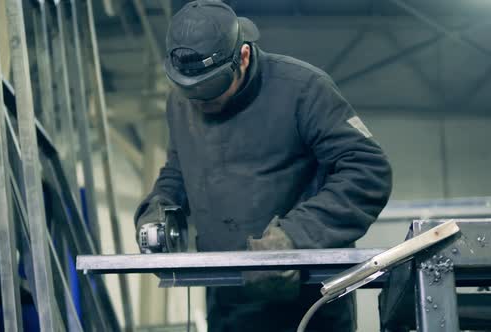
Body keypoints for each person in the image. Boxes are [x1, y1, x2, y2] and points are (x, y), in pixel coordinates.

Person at [134, 1, 393, 331]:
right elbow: (180, 167)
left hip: (307, 304)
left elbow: (368, 171)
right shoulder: (181, 102)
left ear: (242, 57)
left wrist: (295, 237)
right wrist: (159, 204)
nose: (200, 105)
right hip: (227, 299)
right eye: (191, 94)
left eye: (211, 93)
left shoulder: (303, 89)